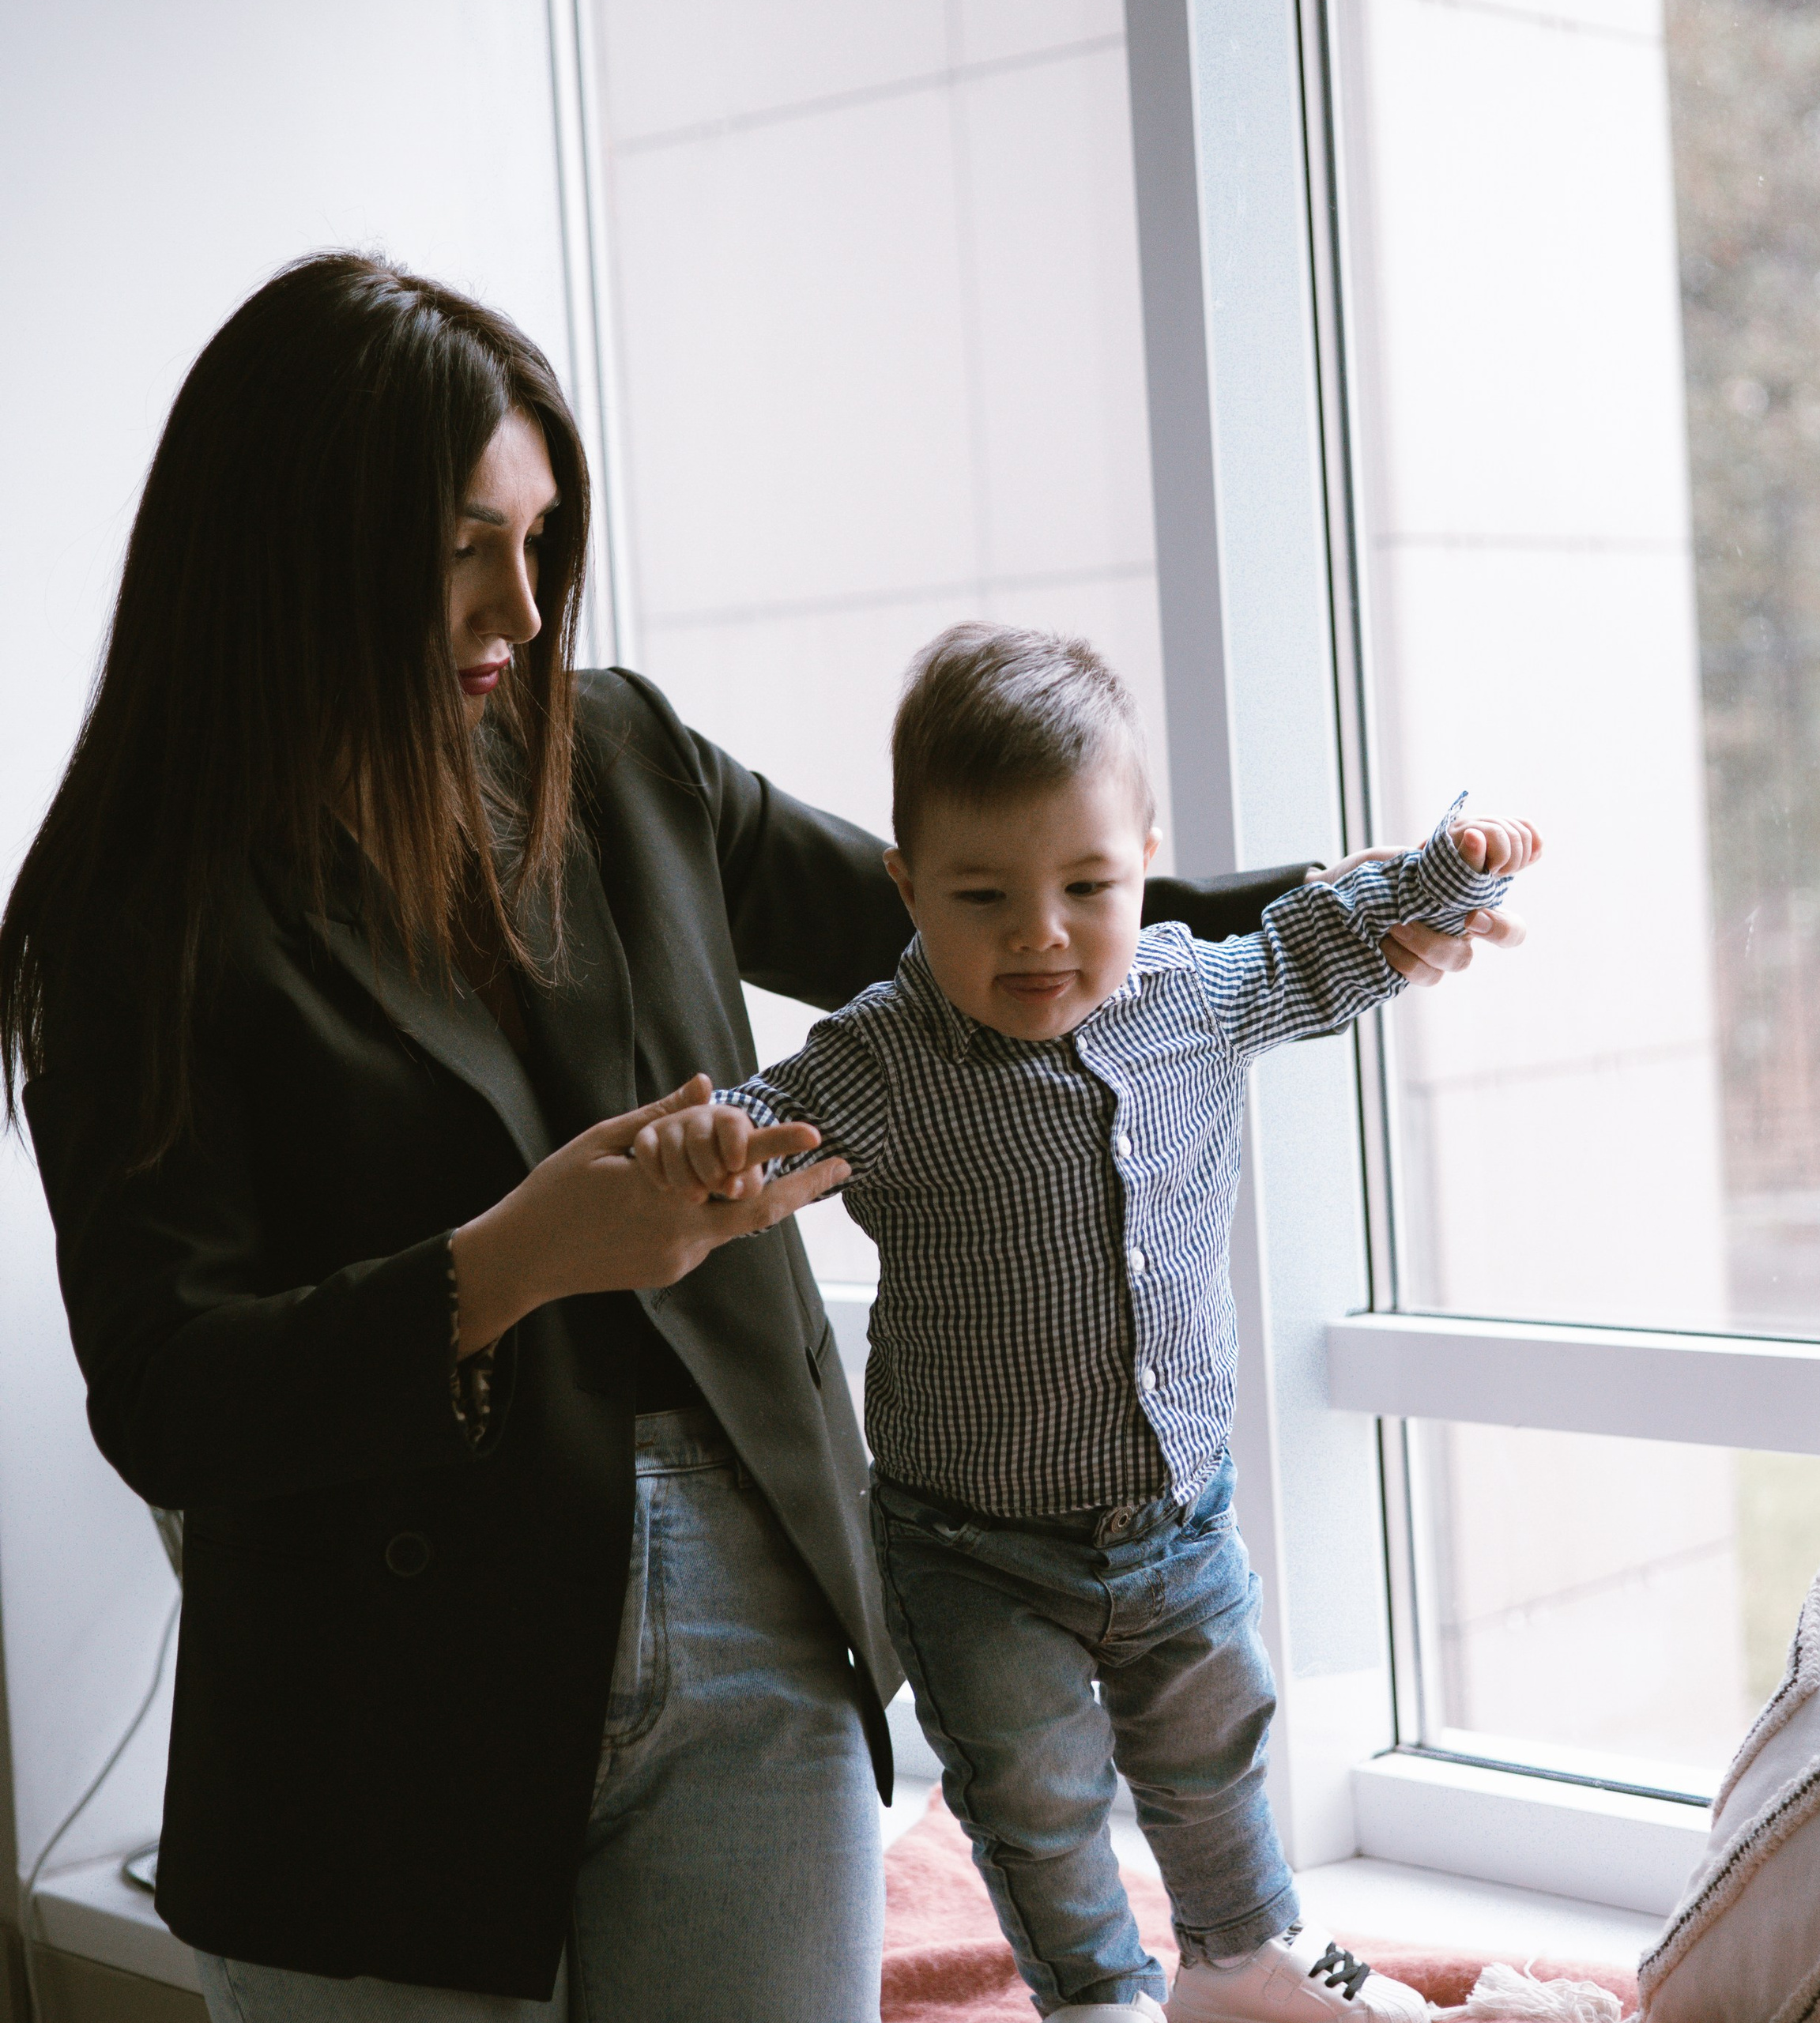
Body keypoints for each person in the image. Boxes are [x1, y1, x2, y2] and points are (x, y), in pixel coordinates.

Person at [0, 257, 1510, 2023]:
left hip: (751, 1618)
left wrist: (1345, 911)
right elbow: (171, 1394)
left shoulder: (620, 752)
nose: (525, 601)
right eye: (461, 542)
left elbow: (976, 932)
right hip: (378, 1697)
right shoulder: (135, 911)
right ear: (291, 542)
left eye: (541, 535)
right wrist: (520, 1256)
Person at [635, 623, 1542, 2023]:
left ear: (1143, 864)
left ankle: (1245, 1958)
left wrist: (1444, 869)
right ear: (908, 890)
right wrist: (705, 1151)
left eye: (1086, 886)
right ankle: (1095, 1995)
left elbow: (1325, 939)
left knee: (1214, 1746)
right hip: (973, 1552)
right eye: (982, 895)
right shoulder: (886, 1058)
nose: (1039, 935)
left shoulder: (1194, 989)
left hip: (1177, 1518)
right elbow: (765, 1118)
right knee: (1034, 1798)